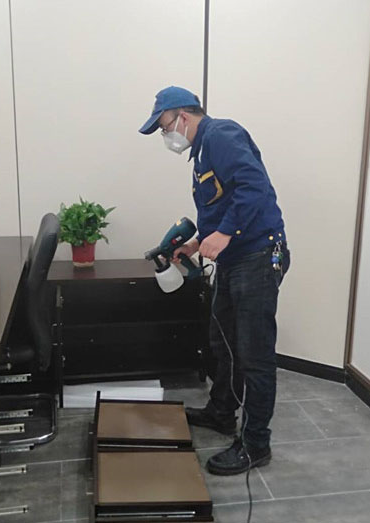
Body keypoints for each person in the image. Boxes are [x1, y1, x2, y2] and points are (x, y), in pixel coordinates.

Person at [139, 86, 290, 475]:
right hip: (235, 258)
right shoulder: (202, 151)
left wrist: (225, 233)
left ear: (182, 117)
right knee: (223, 341)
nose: (165, 135)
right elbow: (222, 202)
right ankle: (222, 411)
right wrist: (196, 243)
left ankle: (256, 443)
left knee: (254, 354)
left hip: (258, 256)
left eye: (164, 126)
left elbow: (254, 186)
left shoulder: (221, 135)